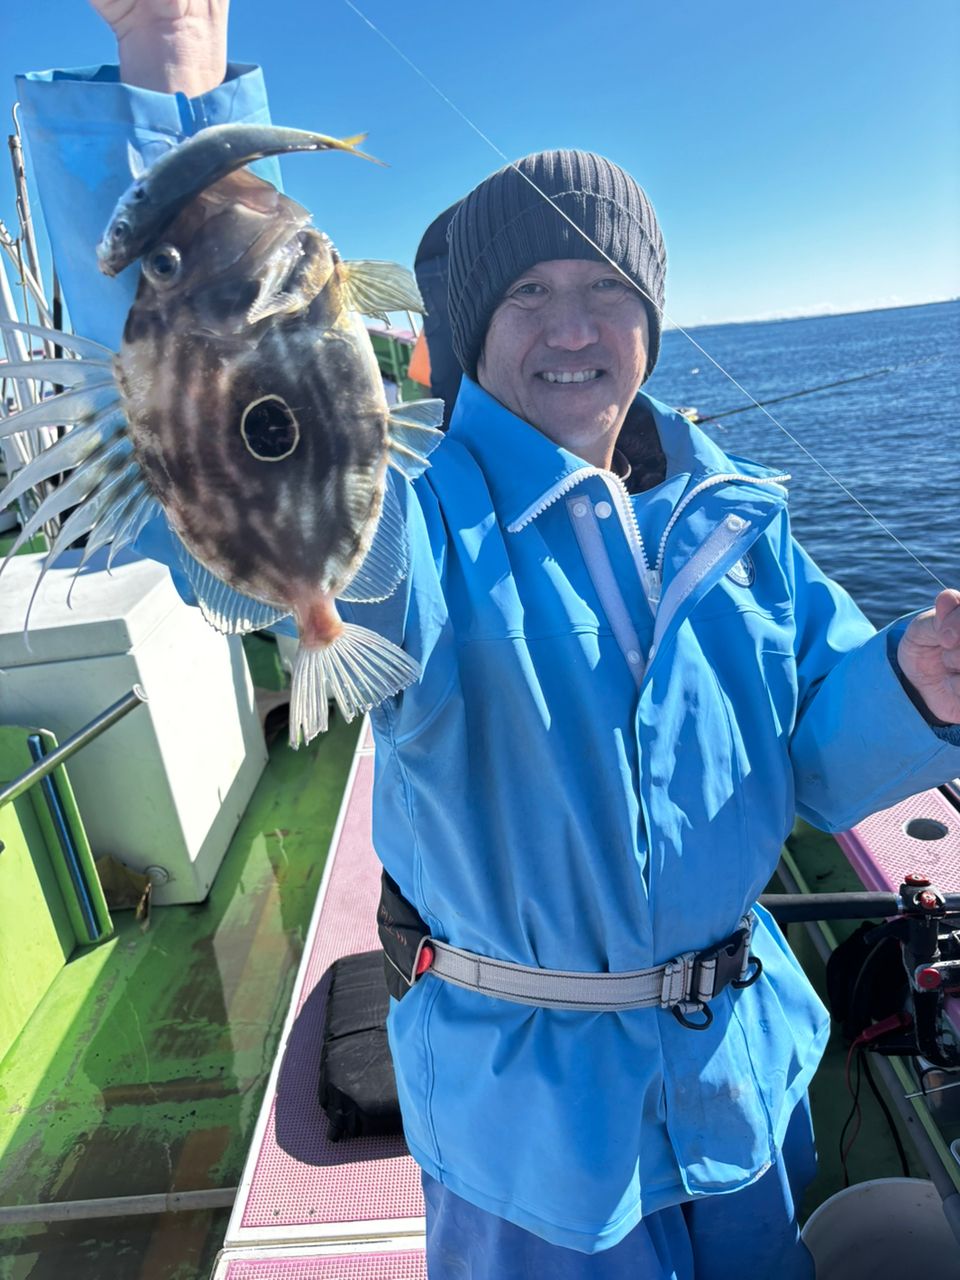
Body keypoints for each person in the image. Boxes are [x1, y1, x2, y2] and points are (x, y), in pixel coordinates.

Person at [17, 4, 960, 1276]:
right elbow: (237, 391)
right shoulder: (420, 513)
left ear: (651, 320)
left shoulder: (737, 510)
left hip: (744, 1089)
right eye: (529, 293)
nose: (572, 327)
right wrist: (172, 75)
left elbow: (814, 763)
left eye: (605, 290)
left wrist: (910, 681)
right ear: (468, 332)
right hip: (532, 1136)